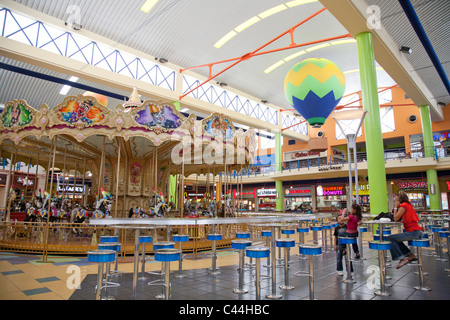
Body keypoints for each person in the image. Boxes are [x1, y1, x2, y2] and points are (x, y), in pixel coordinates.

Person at [385, 190, 422, 269]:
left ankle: (402, 258)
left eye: (396, 198)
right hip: (416, 231)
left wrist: (395, 207)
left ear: (399, 198)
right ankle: (410, 255)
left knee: (390, 238)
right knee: (396, 239)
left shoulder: (404, 206)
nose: (396, 200)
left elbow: (395, 218)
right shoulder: (408, 205)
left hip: (413, 232)